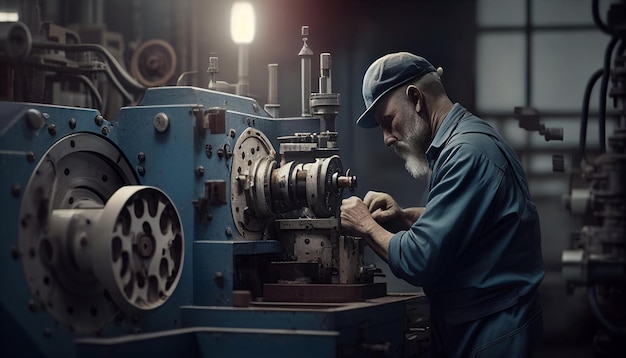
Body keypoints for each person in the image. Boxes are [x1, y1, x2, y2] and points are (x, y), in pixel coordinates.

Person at [340, 52, 544, 357]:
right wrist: (404, 218)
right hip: (476, 324)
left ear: (416, 99)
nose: (387, 138)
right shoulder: (459, 144)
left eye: (388, 121)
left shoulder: (467, 154)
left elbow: (420, 260)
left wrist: (365, 226)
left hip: (491, 332)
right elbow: (469, 225)